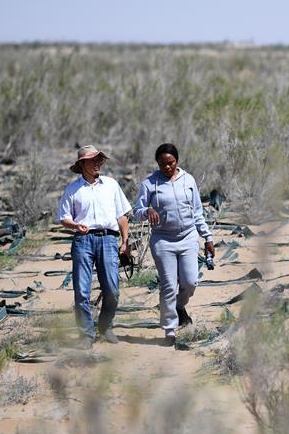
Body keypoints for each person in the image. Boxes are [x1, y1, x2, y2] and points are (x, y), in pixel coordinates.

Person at [134, 143, 214, 347]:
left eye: (170, 163)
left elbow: (197, 211)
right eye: (162, 164)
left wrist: (208, 237)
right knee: (168, 285)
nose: (167, 167)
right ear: (157, 164)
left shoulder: (188, 180)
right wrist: (147, 211)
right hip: (163, 239)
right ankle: (169, 329)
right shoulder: (150, 183)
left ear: (177, 161)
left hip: (187, 237)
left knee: (190, 281)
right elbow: (137, 211)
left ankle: (180, 305)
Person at [57, 145, 131, 348]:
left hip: (109, 239)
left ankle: (105, 326)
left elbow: (122, 215)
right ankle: (86, 335)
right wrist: (75, 225)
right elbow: (63, 217)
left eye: (100, 159)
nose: (98, 163)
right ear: (82, 164)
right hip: (83, 240)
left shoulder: (112, 185)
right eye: (93, 160)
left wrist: (125, 242)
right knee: (81, 290)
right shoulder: (72, 189)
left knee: (112, 289)